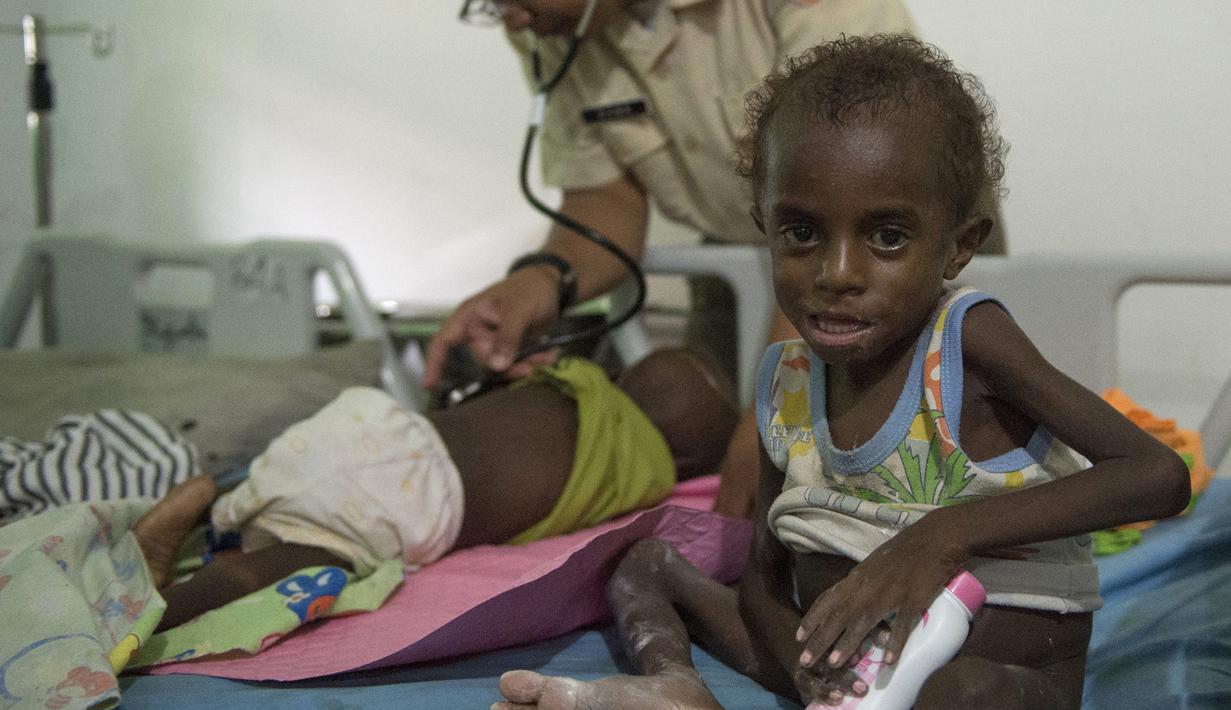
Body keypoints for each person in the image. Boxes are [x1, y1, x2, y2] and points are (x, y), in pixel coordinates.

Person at [493, 35, 1191, 709]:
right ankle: (676, 684)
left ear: (957, 247)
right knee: (639, 561)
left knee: (960, 696)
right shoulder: (782, 379)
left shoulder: (966, 343)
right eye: (800, 232)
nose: (837, 274)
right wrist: (811, 679)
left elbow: (1156, 475)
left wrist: (937, 538)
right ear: (763, 224)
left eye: (887, 237)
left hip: (991, 671)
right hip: (835, 663)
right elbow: (766, 576)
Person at [426, 0, 943, 520]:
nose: (513, 20)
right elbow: (605, 201)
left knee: (878, 466)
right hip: (741, 257)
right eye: (490, 6)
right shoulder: (556, 27)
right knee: (703, 426)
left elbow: (850, 192)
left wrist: (777, 411)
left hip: (887, 250)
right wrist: (543, 278)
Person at [132, 347, 739, 632]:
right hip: (407, 496)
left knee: (280, 483)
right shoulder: (638, 469)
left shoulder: (573, 380)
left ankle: (209, 504)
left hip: (378, 428)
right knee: (291, 564)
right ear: (683, 460)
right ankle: (158, 612)